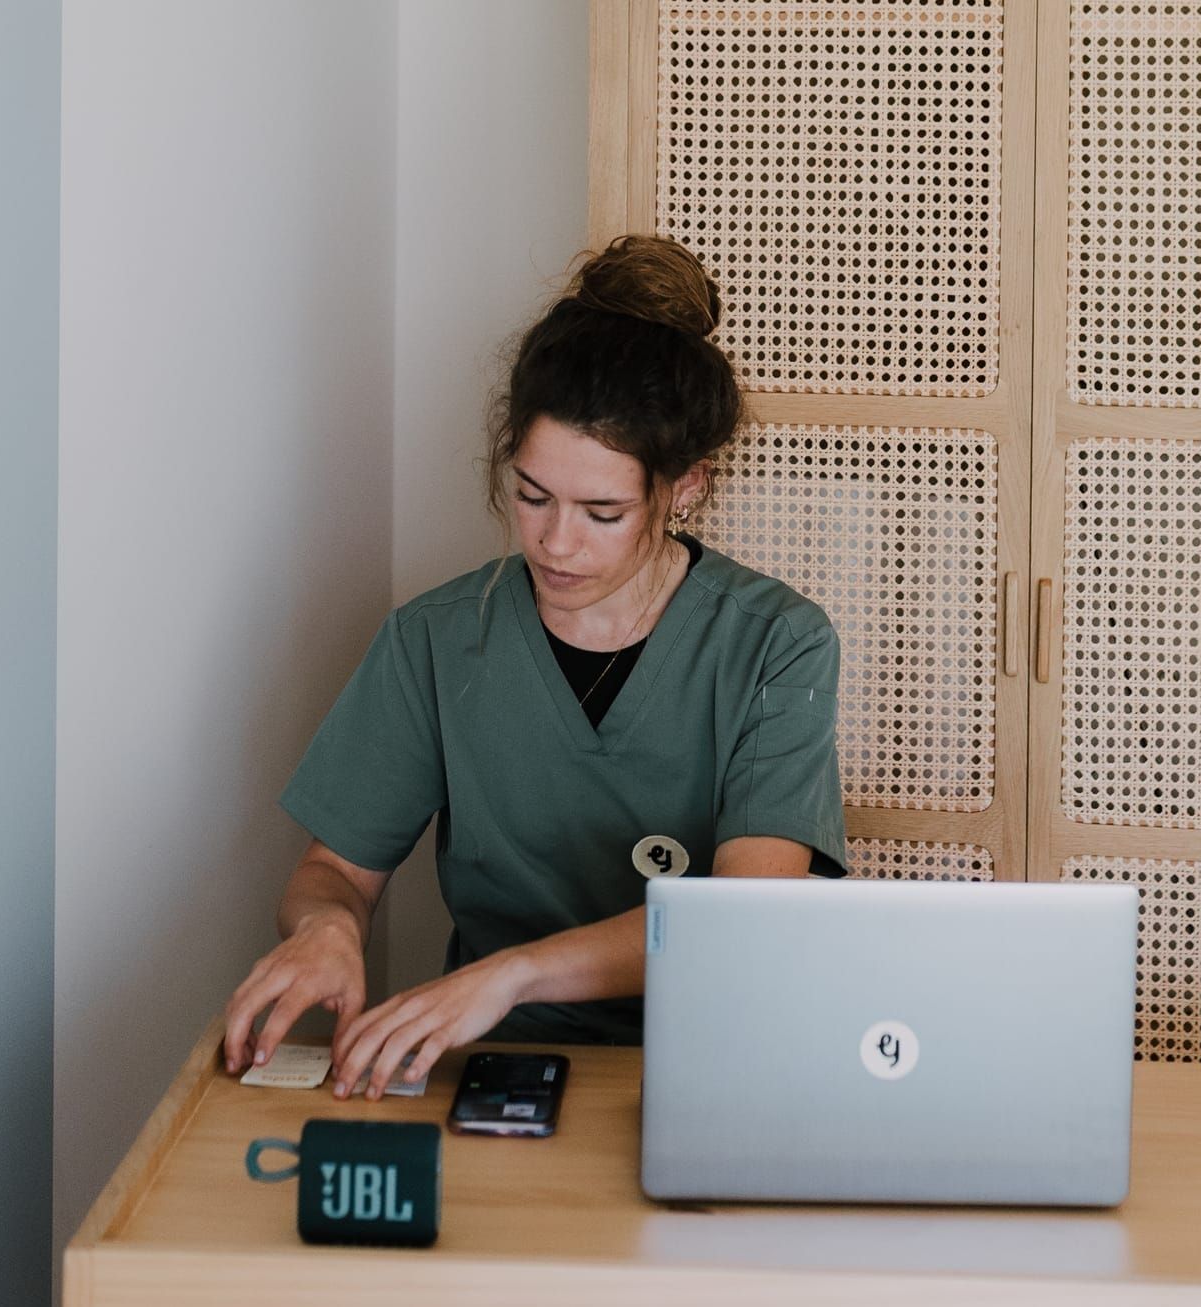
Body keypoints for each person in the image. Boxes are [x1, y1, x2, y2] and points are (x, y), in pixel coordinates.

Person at [221, 235, 846, 1101]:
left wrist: (510, 975)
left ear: (686, 487)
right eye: (532, 495)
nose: (556, 542)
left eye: (602, 511)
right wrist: (327, 927)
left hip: (715, 1073)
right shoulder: (434, 642)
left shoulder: (777, 642)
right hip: (493, 1069)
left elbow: (742, 921)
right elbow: (333, 871)